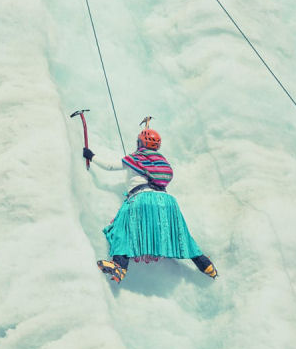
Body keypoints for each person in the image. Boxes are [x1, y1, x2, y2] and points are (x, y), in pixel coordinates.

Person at [83, 120, 218, 283]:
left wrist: (91, 156)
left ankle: (119, 266)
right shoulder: (161, 161)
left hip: (141, 198)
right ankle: (206, 266)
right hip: (167, 202)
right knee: (181, 235)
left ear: (140, 143)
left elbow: (110, 166)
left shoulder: (136, 158)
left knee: (122, 228)